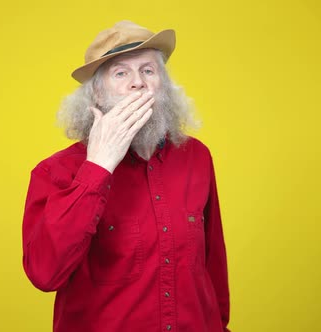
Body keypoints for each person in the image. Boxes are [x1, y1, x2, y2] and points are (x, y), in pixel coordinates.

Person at [22, 20, 230, 332]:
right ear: (96, 95)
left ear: (164, 85)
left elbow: (213, 263)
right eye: (121, 73)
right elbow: (44, 273)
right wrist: (98, 167)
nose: (138, 83)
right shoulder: (55, 172)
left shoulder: (196, 157)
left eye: (148, 70)